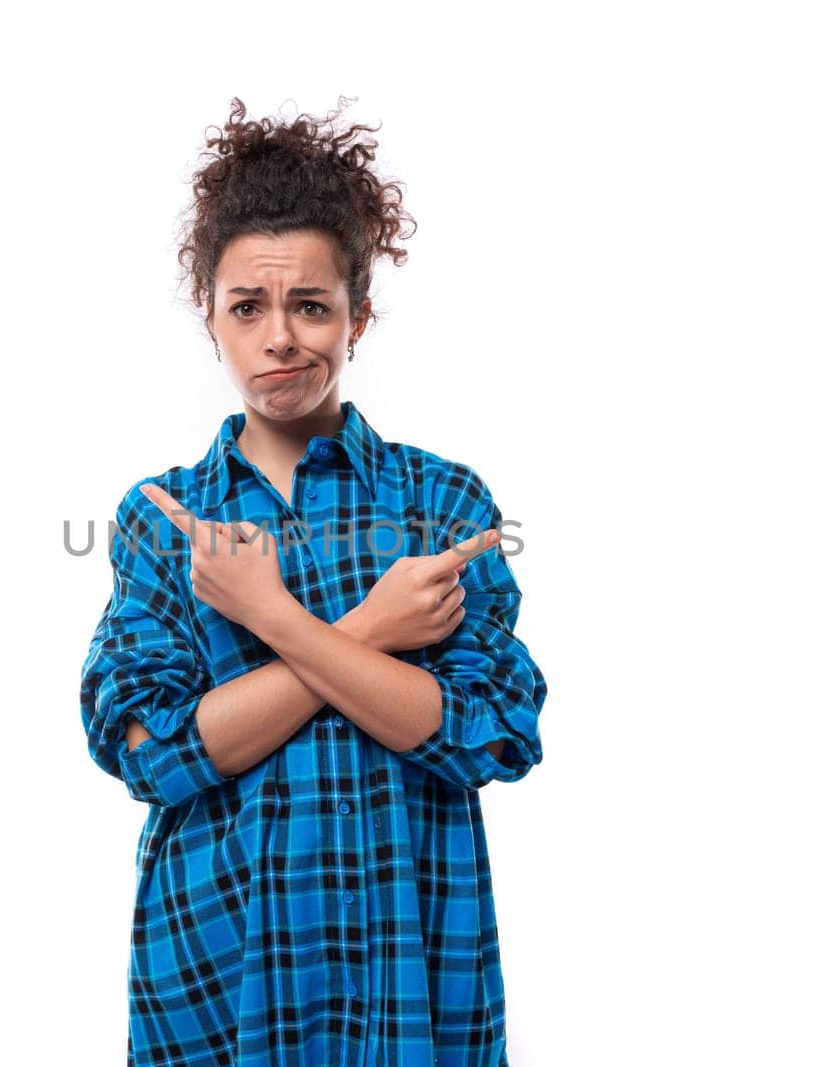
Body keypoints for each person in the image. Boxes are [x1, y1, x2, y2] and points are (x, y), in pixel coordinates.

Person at [78, 96, 549, 1067]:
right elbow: (154, 757)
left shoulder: (439, 501)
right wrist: (369, 626)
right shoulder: (165, 516)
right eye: (248, 305)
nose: (280, 337)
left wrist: (271, 619)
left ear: (358, 314)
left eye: (311, 305)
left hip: (412, 965)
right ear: (208, 313)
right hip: (216, 967)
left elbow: (487, 734)